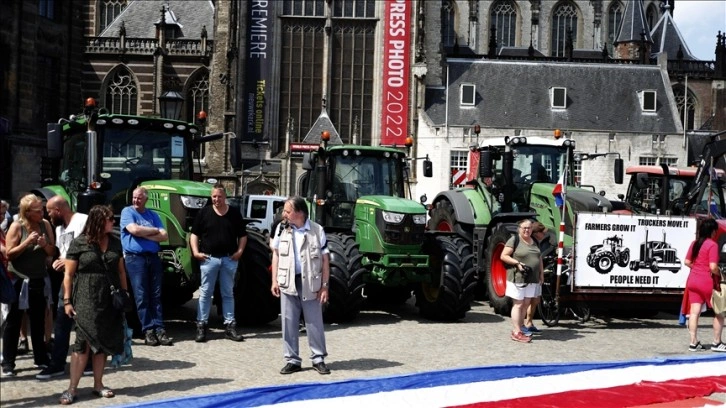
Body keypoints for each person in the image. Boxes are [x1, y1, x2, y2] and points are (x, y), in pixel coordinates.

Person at [59, 205, 128, 404]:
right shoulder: (80, 243)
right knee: (82, 341)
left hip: (109, 298)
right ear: (99, 221)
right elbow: (69, 275)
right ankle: (72, 388)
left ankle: (98, 384)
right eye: (109, 219)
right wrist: (67, 300)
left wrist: (124, 295)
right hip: (85, 297)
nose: (113, 222)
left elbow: (121, 271)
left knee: (103, 342)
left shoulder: (115, 242)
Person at [270, 196, 331, 375]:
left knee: (314, 322)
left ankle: (318, 358)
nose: (284, 215)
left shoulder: (317, 230)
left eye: (287, 211)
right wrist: (274, 280)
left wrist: (325, 286)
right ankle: (292, 360)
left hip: (311, 283)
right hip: (288, 281)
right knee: (288, 322)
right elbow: (276, 255)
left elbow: (325, 260)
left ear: (299, 213)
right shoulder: (281, 229)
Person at [36, 196, 91, 379]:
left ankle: (88, 362)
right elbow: (60, 252)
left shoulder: (83, 220)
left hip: (84, 280)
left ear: (58, 210)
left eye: (49, 211)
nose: (48, 215)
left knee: (85, 323)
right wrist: (47, 248)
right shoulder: (59, 228)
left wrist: (66, 261)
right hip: (67, 281)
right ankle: (58, 363)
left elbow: (91, 250)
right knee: (61, 323)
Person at [1, 194, 54, 377]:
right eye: (38, 210)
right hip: (19, 280)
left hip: (38, 279)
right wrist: (27, 242)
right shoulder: (17, 226)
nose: (42, 213)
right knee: (14, 322)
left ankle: (41, 358)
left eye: (42, 209)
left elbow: (52, 251)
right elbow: (9, 254)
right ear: (27, 212)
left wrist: (44, 243)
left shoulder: (45, 225)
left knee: (38, 321)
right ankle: (8, 362)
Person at [190, 184, 246, 343]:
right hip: (209, 259)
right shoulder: (204, 213)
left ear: (225, 196)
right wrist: (195, 252)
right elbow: (194, 234)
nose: (216, 199)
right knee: (205, 293)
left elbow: (243, 235)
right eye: (214, 196)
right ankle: (201, 325)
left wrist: (240, 251)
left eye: (219, 196)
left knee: (228, 293)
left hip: (229, 259)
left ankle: (230, 326)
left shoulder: (234, 214)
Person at [120, 187, 172, 347]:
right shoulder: (127, 212)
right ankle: (148, 330)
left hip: (153, 258)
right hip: (135, 259)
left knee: (155, 295)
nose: (136, 201)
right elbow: (134, 230)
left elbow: (164, 235)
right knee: (141, 295)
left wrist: (145, 232)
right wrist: (154, 231)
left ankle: (160, 329)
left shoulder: (153, 215)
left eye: (139, 198)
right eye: (134, 198)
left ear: (145, 199)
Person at [682, 218, 725, 352]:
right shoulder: (712, 245)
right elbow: (713, 267)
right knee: (719, 312)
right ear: (712, 231)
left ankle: (693, 342)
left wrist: (698, 268)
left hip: (693, 280)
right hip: (706, 281)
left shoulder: (695, 243)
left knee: (694, 313)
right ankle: (717, 342)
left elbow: (687, 262)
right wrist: (721, 273)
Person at [500, 219, 543, 343]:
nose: (527, 230)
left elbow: (538, 258)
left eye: (529, 228)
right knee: (518, 304)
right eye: (524, 228)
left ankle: (521, 327)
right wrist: (517, 263)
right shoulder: (514, 240)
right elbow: (503, 256)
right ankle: (516, 331)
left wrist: (541, 274)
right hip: (518, 277)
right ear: (519, 228)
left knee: (526, 303)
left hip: (532, 278)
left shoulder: (534, 241)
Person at [522, 221, 552, 335]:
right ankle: (523, 324)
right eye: (542, 233)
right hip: (530, 276)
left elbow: (538, 258)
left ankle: (529, 322)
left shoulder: (536, 243)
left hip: (536, 275)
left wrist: (541, 273)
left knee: (535, 300)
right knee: (527, 301)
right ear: (537, 232)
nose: (544, 235)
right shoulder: (530, 242)